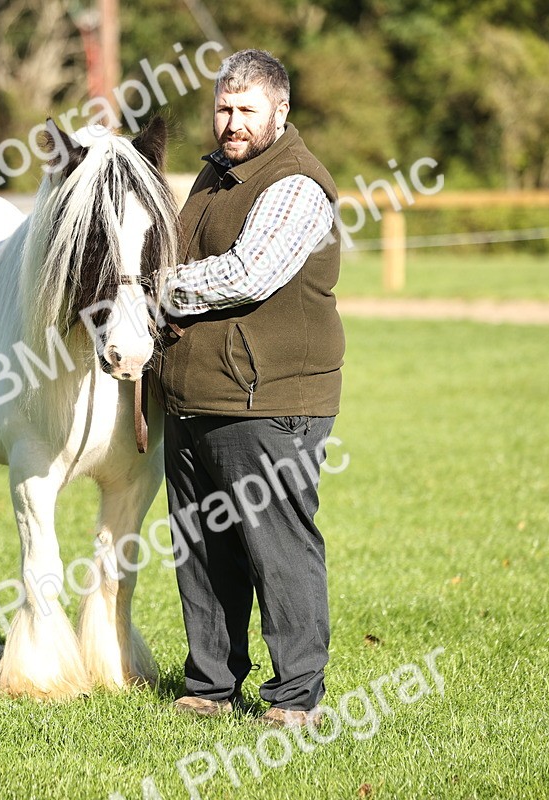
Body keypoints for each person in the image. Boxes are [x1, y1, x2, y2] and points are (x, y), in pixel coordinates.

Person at [155, 49, 344, 728]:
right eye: (223, 108)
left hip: (270, 401)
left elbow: (247, 274)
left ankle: (296, 699)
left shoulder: (295, 182)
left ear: (279, 111)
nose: (231, 122)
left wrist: (154, 291)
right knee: (203, 548)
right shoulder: (214, 173)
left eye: (246, 110)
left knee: (278, 548)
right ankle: (211, 685)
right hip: (193, 394)